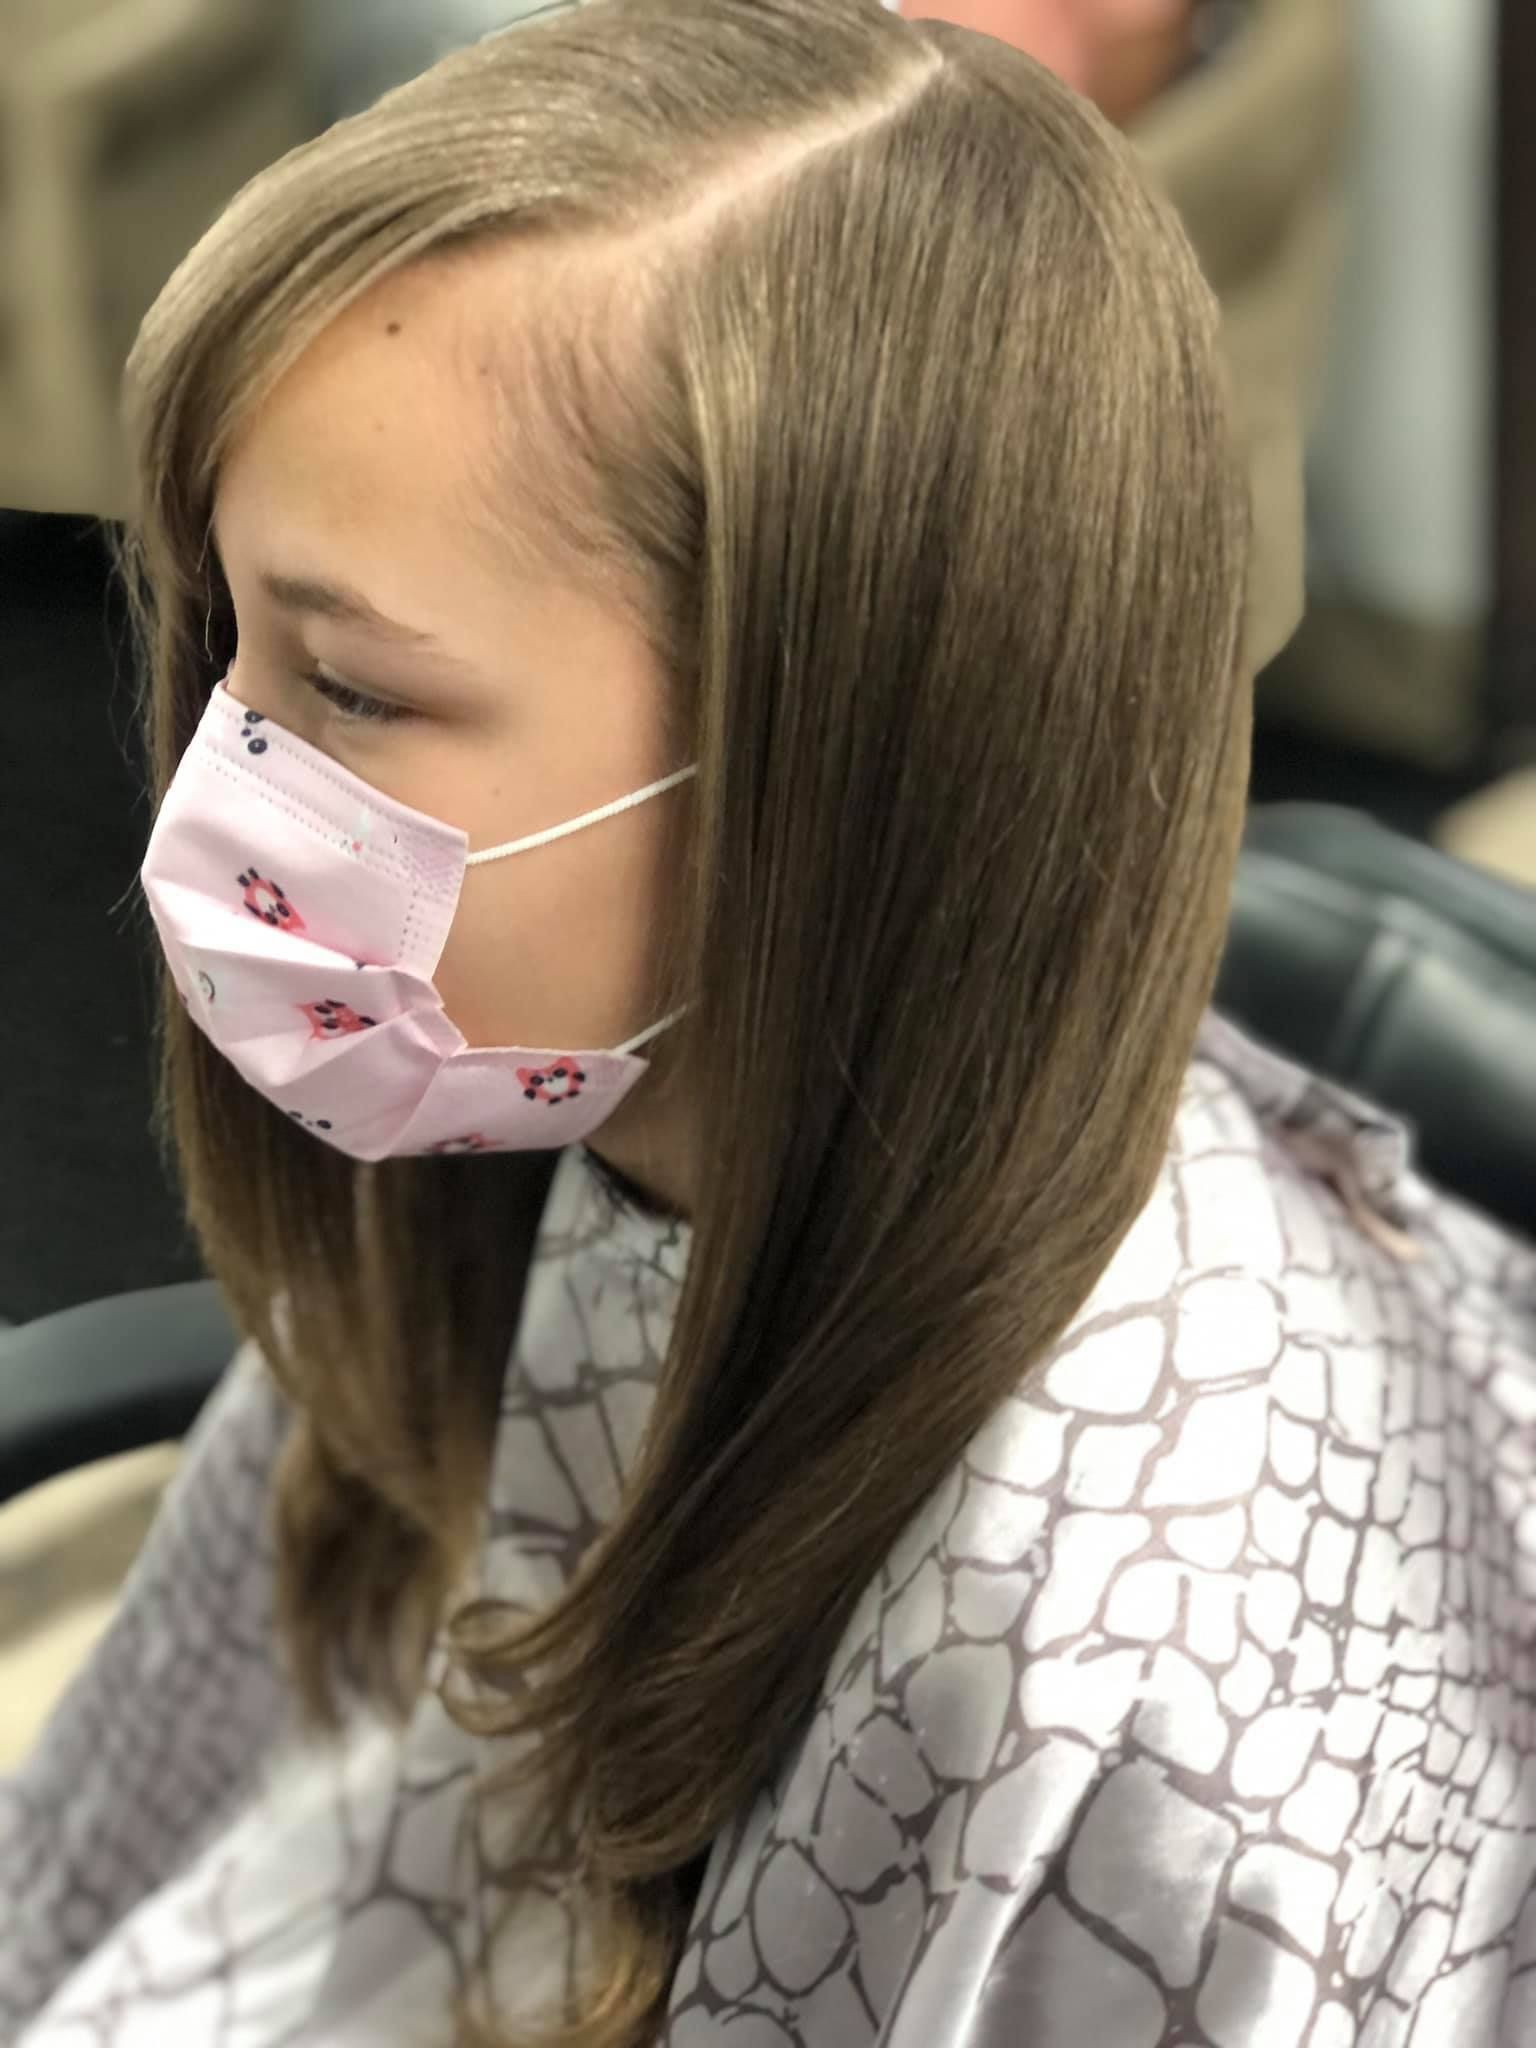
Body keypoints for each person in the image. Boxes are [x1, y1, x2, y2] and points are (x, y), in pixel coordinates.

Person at [1, 2, 1532, 2044]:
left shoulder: (1126, 1726)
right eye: (231, 630)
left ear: (836, 767)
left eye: (352, 692)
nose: (220, 781)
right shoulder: (547, 1116)